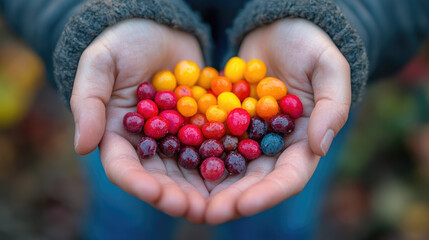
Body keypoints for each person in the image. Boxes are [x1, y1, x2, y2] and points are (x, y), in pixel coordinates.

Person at [1, 0, 428, 239]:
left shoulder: (262, 114)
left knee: (278, 221)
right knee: (123, 213)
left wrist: (342, 18)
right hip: (130, 71)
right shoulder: (155, 108)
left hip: (298, 67)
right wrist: (88, 15)